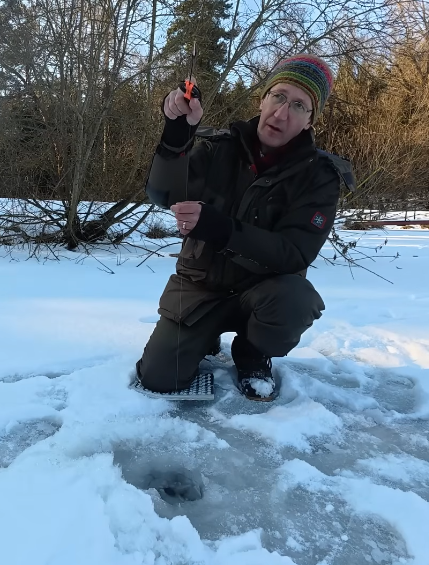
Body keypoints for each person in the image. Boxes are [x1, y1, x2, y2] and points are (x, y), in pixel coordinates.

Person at [135, 54, 354, 401]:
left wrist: (220, 229)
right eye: (278, 96)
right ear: (262, 99)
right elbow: (164, 194)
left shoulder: (319, 177)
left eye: (299, 105)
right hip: (199, 288)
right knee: (159, 378)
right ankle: (203, 335)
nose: (281, 113)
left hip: (264, 295)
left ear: (310, 121)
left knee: (297, 300)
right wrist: (177, 132)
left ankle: (253, 351)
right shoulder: (217, 148)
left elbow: (294, 253)